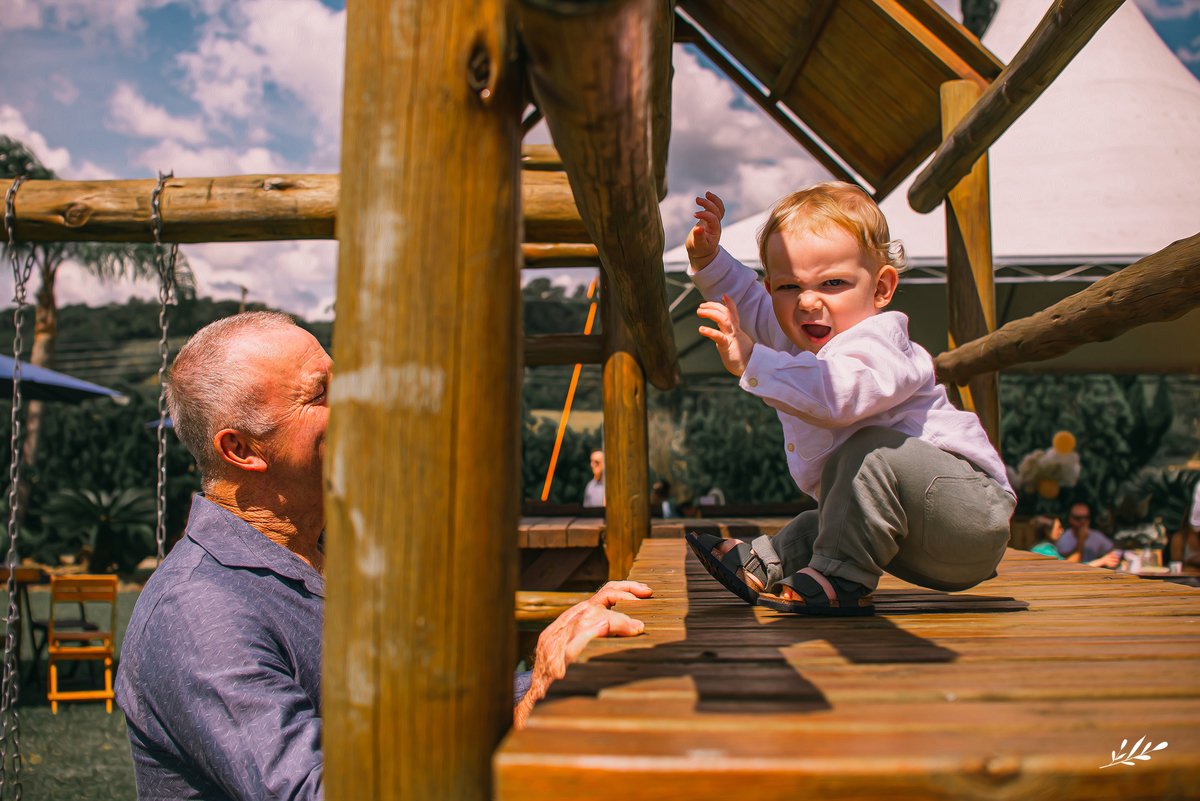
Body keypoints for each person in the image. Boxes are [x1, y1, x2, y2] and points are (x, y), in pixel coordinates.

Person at [115, 312, 651, 800]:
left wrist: (556, 659)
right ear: (242, 451)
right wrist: (534, 701)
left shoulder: (336, 559)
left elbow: (444, 707)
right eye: (321, 392)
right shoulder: (197, 611)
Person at [681, 184, 1015, 616]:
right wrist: (708, 259)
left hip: (969, 514)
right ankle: (765, 563)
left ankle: (841, 579)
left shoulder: (880, 344)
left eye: (833, 283)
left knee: (868, 454)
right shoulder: (798, 333)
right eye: (787, 286)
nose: (807, 301)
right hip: (915, 538)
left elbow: (839, 395)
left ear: (880, 289)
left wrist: (751, 360)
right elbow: (750, 302)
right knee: (831, 521)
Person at [1057, 502, 1120, 567]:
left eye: (1086, 517)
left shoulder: (1096, 536)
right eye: (1078, 518)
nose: (1083, 521)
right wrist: (1081, 540)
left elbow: (1113, 549)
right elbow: (1070, 566)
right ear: (1070, 519)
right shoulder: (1062, 538)